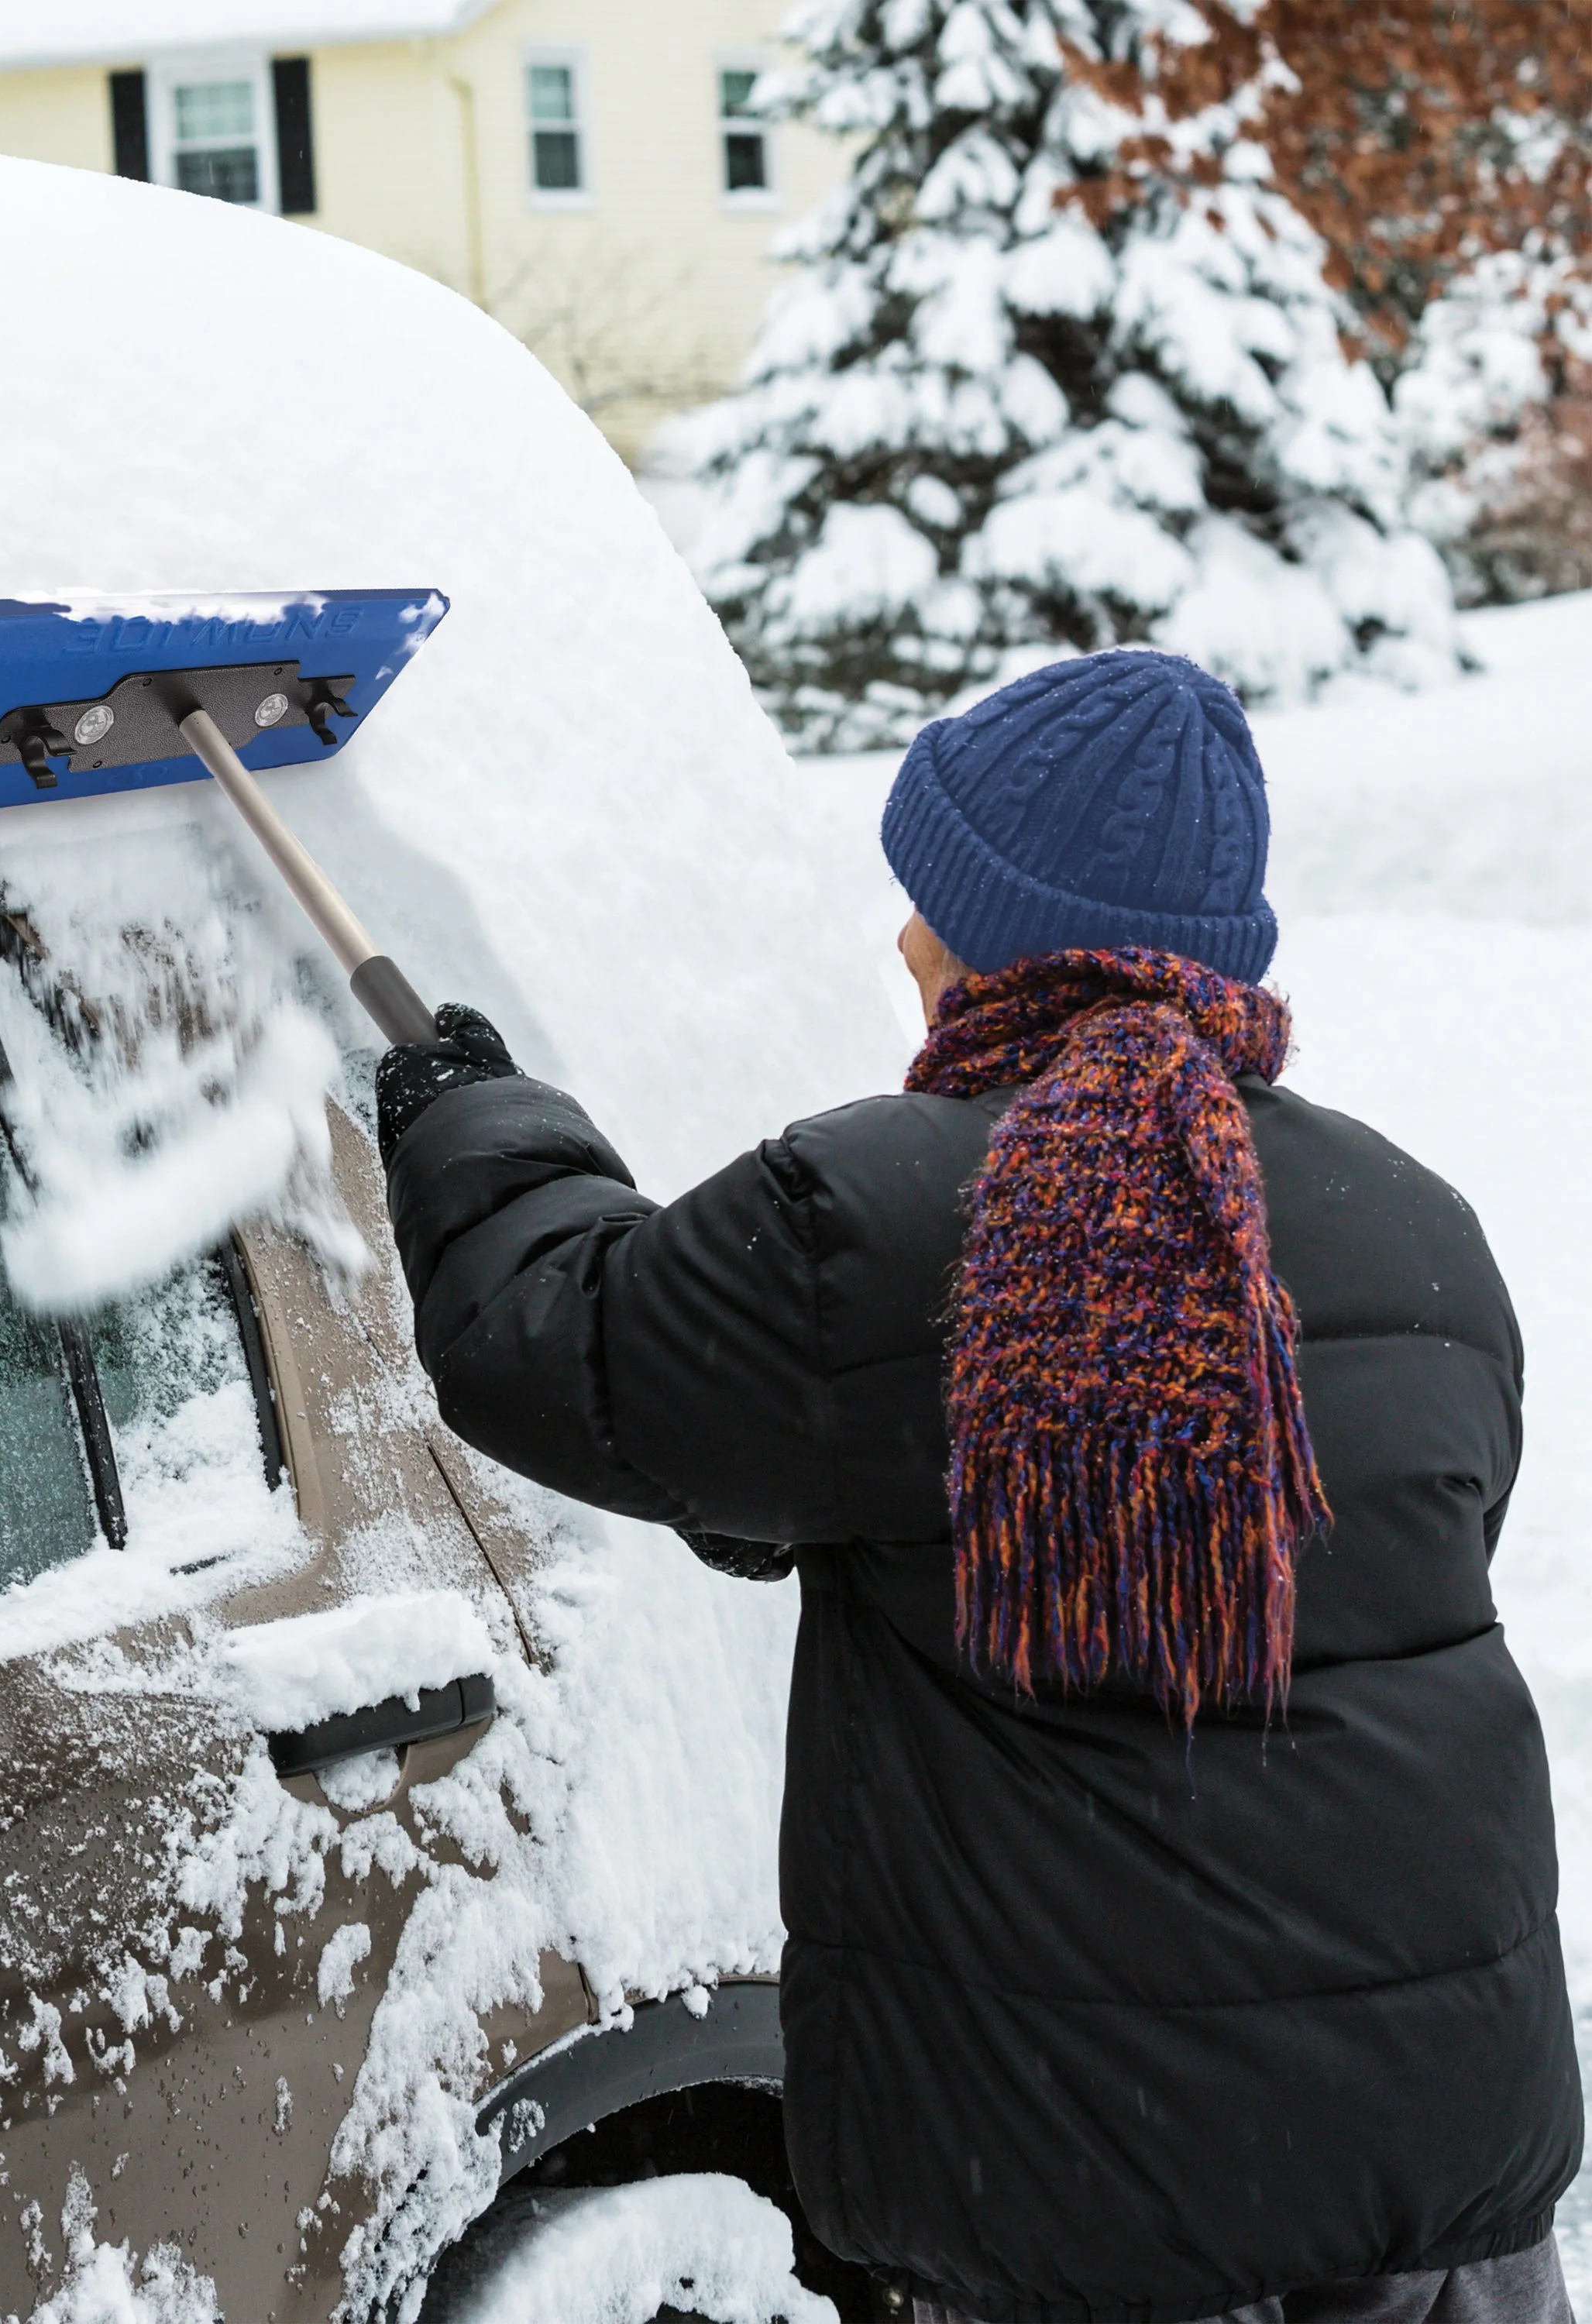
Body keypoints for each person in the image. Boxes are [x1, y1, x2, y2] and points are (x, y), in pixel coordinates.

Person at [374, 651, 1580, 2324]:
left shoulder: (886, 1226)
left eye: (935, 899)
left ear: (1019, 939)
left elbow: (555, 1348)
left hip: (1107, 2196)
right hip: (1443, 2177)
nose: (903, 939)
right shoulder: (1421, 1229)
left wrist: (472, 1114)